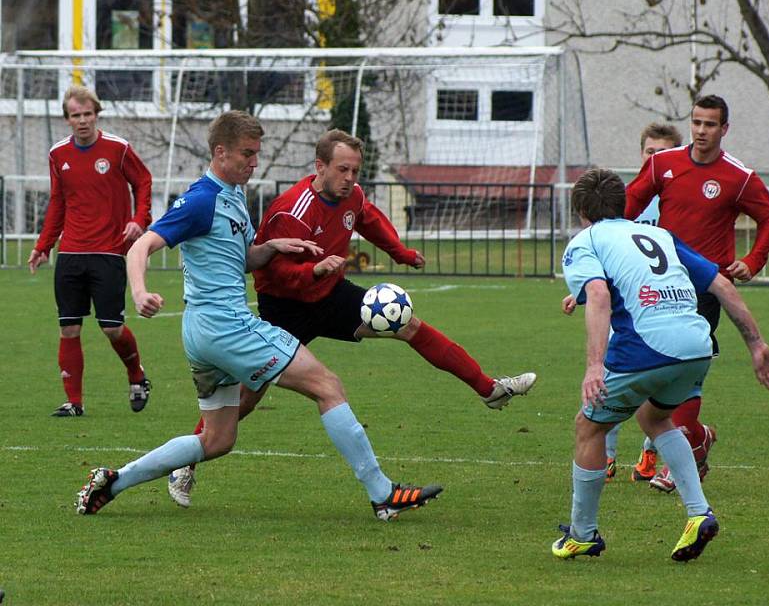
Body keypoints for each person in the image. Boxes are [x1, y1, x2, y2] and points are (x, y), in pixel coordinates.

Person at [75, 111, 443, 522]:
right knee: (327, 385)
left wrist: (275, 247)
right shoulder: (202, 199)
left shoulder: (232, 196)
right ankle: (383, 493)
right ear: (220, 153)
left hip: (201, 333)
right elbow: (141, 246)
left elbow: (242, 258)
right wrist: (140, 291)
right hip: (227, 326)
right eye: (247, 155)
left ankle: (113, 481)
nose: (255, 163)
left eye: (257, 154)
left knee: (217, 439)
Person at [166, 128, 536, 508]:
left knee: (408, 325)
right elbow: (270, 274)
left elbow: (369, 219)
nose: (350, 179)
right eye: (343, 170)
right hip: (285, 307)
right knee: (246, 397)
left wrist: (400, 253)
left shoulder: (352, 195)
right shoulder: (289, 211)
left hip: (331, 296)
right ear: (320, 166)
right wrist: (313, 272)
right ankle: (186, 465)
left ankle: (489, 389)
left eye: (355, 171)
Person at [553, 168, 769, 562]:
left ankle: (582, 534)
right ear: (624, 204)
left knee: (588, 426)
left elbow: (597, 293)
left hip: (648, 345)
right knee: (655, 419)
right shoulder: (658, 234)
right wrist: (756, 343)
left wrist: (594, 366)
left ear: (580, 210)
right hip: (696, 343)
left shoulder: (585, 240)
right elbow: (722, 285)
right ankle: (698, 514)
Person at [625, 95, 769, 491]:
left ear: (724, 129)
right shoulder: (664, 164)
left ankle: (678, 458)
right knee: (656, 371)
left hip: (705, 288)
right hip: (658, 284)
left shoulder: (738, 177)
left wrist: (754, 260)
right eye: (696, 122)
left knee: (680, 368)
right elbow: (629, 205)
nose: (701, 131)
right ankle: (696, 438)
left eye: (710, 124)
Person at [28, 85, 153, 417]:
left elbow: (143, 182)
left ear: (96, 114)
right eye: (75, 115)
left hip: (109, 251)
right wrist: (44, 246)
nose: (82, 121)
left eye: (87, 114)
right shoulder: (58, 154)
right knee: (69, 327)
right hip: (70, 252)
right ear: (67, 119)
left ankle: (136, 375)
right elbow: (58, 201)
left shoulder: (118, 149)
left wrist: (139, 220)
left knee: (111, 328)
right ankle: (74, 402)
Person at [603, 122, 683, 483]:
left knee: (662, 385)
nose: (655, 158)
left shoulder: (678, 197)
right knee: (607, 376)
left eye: (663, 153)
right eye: (651, 152)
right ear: (641, 154)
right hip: (623, 307)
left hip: (664, 304)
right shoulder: (627, 197)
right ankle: (605, 457)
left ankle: (651, 454)